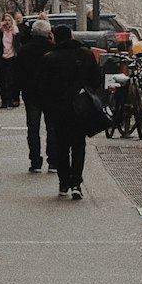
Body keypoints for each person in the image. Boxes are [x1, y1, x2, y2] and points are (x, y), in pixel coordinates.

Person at [41, 25, 100, 201]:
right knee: (78, 145)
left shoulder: (49, 59)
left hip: (59, 108)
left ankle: (63, 182)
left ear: (55, 38)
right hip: (81, 108)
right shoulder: (85, 54)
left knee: (62, 145)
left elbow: (44, 87)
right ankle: (76, 183)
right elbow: (96, 79)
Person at [15, 18, 55, 174]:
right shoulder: (53, 49)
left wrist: (16, 93)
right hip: (51, 93)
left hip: (31, 93)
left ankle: (35, 161)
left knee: (33, 128)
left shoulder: (24, 50)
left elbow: (17, 73)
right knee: (52, 128)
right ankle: (53, 160)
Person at [0, 13, 20, 107]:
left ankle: (12, 99)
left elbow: (18, 44)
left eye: (9, 20)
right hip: (2, 57)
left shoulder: (15, 32)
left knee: (11, 79)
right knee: (3, 80)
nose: (7, 22)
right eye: (5, 20)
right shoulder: (0, 32)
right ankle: (4, 100)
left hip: (12, 57)